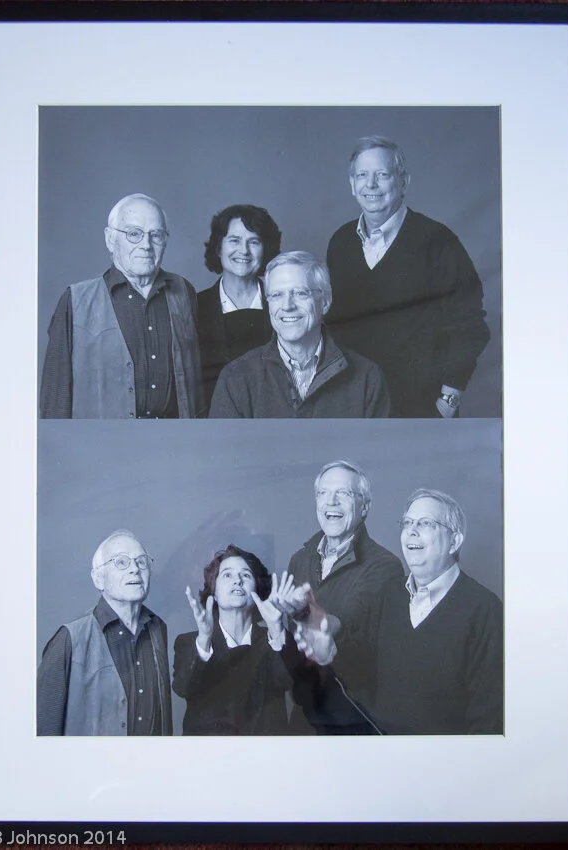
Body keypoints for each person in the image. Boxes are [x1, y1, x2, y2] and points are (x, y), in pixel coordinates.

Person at [326, 136, 491, 418]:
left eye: (382, 175)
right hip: (354, 403)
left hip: (421, 407)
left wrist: (446, 403)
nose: (371, 185)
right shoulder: (341, 242)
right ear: (352, 184)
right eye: (362, 175)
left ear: (403, 182)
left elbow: (470, 325)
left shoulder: (438, 241)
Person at [40, 193, 203, 419]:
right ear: (110, 239)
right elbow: (54, 400)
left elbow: (198, 382)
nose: (146, 245)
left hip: (174, 438)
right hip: (102, 440)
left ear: (165, 240)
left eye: (155, 235)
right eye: (134, 234)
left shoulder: (183, 291)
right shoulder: (75, 301)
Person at [372, 489, 503, 734]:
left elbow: (488, 719)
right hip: (384, 754)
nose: (411, 531)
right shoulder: (387, 595)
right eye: (407, 523)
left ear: (454, 542)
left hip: (447, 757)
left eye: (425, 523)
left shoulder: (485, 609)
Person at [284, 461, 403, 730]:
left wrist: (318, 620)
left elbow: (357, 626)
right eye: (323, 493)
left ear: (365, 507)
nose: (331, 501)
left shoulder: (385, 566)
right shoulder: (299, 560)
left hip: (354, 716)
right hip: (304, 716)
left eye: (344, 493)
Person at [209, 251, 391, 418]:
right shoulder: (236, 378)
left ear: (325, 302)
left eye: (300, 293)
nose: (287, 306)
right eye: (277, 295)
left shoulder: (367, 378)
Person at [37, 529, 172, 735]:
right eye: (121, 562)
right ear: (98, 578)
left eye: (141, 561)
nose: (135, 569)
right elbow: (45, 731)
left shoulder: (157, 629)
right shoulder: (68, 640)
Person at [172, 545, 303, 735]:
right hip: (208, 753)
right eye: (227, 575)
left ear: (258, 589)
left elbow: (297, 686)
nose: (237, 580)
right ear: (214, 592)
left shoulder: (277, 639)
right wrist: (205, 639)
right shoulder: (189, 642)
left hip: (266, 752)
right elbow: (183, 687)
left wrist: (276, 628)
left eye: (246, 575)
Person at [197, 205, 281, 409]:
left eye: (254, 242)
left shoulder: (281, 302)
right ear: (219, 248)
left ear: (265, 249)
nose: (244, 250)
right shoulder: (194, 307)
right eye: (234, 240)